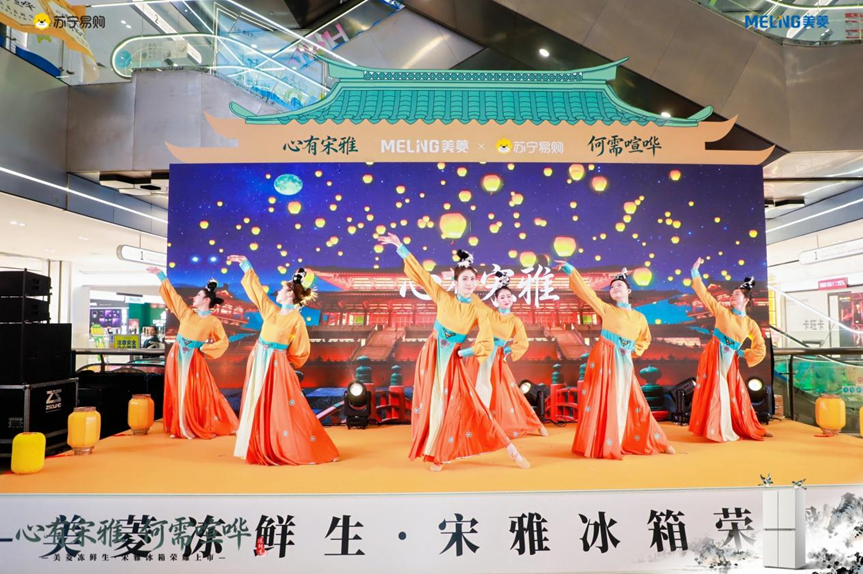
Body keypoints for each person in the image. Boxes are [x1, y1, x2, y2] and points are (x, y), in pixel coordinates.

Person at [378, 234, 530, 471]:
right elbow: (422, 275)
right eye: (465, 279)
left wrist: (466, 353)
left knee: (464, 404)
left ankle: (509, 450)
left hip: (453, 360)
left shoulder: (479, 309)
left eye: (473, 279)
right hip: (432, 354)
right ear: (456, 282)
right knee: (432, 403)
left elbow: (486, 339)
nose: (470, 283)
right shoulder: (443, 296)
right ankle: (435, 452)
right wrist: (400, 247)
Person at [227, 255, 339, 465]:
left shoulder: (296, 319)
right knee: (256, 398)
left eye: (281, 289)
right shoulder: (272, 311)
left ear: (290, 294)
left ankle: (284, 444)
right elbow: (257, 293)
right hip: (258, 358)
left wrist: (288, 361)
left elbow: (301, 348)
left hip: (276, 363)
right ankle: (259, 442)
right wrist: (245, 265)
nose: (277, 292)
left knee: (278, 403)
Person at [555, 261, 674, 459]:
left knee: (632, 399)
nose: (615, 288)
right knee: (605, 397)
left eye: (619, 285)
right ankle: (605, 442)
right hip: (606, 357)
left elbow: (645, 339)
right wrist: (570, 269)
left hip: (624, 359)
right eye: (611, 287)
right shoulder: (607, 309)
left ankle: (656, 440)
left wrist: (632, 349)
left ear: (629, 290)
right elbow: (586, 293)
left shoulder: (639, 318)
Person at [146, 267, 239, 439]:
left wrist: (204, 348)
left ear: (206, 300)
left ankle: (195, 422)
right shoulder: (186, 313)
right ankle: (179, 424)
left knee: (196, 390)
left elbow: (223, 341)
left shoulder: (213, 321)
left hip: (195, 358)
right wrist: (160, 275)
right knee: (177, 388)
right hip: (177, 355)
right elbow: (173, 296)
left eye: (198, 295)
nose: (194, 297)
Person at [689, 258, 770, 442]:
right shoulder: (722, 312)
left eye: (736, 294)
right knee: (717, 389)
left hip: (730, 360)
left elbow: (760, 347)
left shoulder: (750, 323)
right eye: (731, 294)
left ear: (746, 300)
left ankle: (744, 426)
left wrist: (743, 353)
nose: (732, 297)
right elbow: (705, 295)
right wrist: (695, 272)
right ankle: (715, 428)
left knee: (732, 391)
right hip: (714, 355)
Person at [464, 271, 547, 439]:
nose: (506, 299)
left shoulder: (515, 320)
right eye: (502, 297)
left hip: (496, 356)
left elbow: (522, 342)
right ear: (496, 300)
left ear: (512, 299)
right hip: (480, 354)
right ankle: (478, 424)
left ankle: (535, 424)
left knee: (508, 390)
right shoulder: (489, 313)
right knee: (475, 388)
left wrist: (508, 350)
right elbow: (475, 301)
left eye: (508, 296)